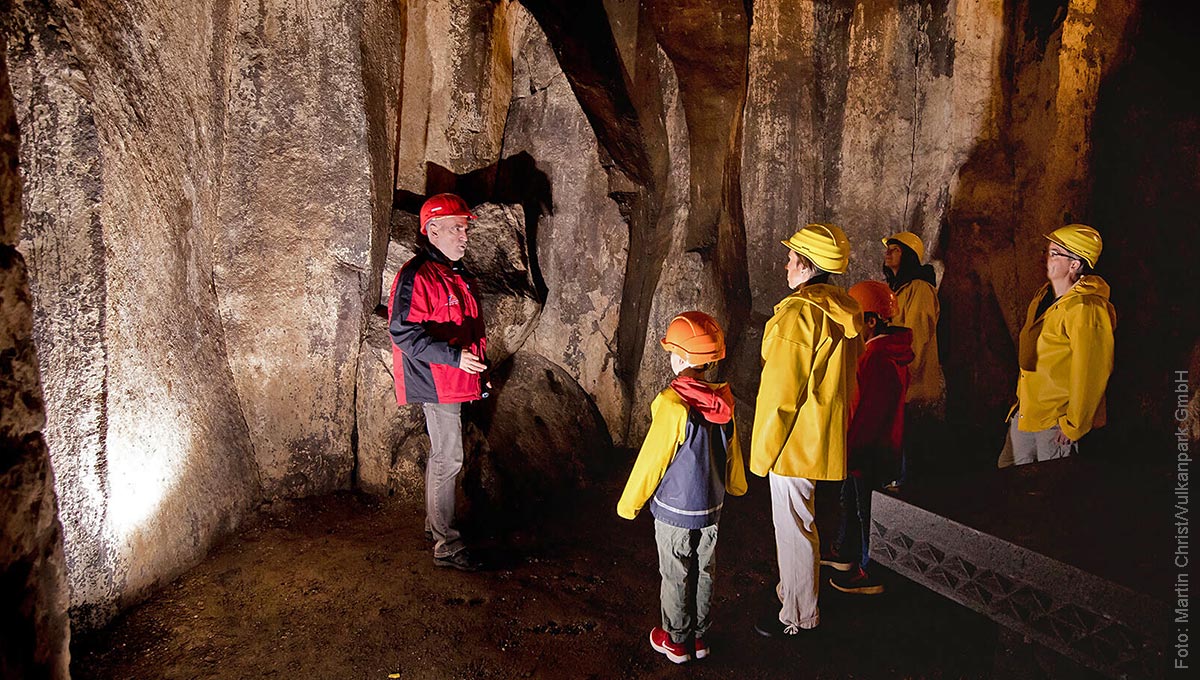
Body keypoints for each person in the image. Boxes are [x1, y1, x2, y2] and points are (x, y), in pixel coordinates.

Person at [750, 224, 863, 637]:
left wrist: (761, 454)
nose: (785, 265)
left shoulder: (799, 314)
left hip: (793, 441)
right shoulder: (842, 308)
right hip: (821, 435)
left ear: (805, 265)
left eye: (791, 258)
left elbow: (779, 395)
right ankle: (792, 592)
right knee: (802, 522)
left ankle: (798, 616)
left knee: (795, 529)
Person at [617, 311, 747, 664]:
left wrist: (629, 504)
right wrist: (735, 486)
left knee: (676, 572)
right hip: (710, 507)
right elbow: (732, 449)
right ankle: (700, 637)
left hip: (675, 511)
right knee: (704, 569)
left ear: (680, 358)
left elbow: (652, 461)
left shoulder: (673, 406)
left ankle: (675, 639)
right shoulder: (724, 403)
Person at [388, 193, 488, 571]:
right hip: (438, 379)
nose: (464, 236)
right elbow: (402, 331)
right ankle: (447, 543)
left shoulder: (453, 273)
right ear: (432, 231)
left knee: (444, 456)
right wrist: (454, 358)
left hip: (454, 376)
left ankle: (436, 528)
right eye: (456, 228)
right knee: (450, 457)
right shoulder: (419, 274)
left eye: (464, 229)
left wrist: (473, 365)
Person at [997, 224, 1115, 467]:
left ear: (1074, 264)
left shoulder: (1085, 307)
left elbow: (1091, 371)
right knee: (1010, 479)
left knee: (1048, 493)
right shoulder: (1044, 297)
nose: (1045, 258)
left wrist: (1074, 425)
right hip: (1027, 412)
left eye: (1054, 253)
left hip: (1055, 420)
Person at [825, 281, 913, 595]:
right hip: (876, 446)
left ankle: (869, 570)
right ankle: (846, 554)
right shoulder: (888, 351)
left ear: (871, 320)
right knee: (852, 503)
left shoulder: (876, 356)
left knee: (866, 511)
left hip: (867, 450)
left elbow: (869, 413)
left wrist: (850, 450)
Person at [881, 231, 944, 484]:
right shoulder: (895, 289)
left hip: (911, 386)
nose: (888, 252)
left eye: (895, 249)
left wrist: (901, 375)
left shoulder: (919, 289)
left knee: (909, 451)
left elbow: (916, 336)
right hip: (897, 383)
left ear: (908, 256)